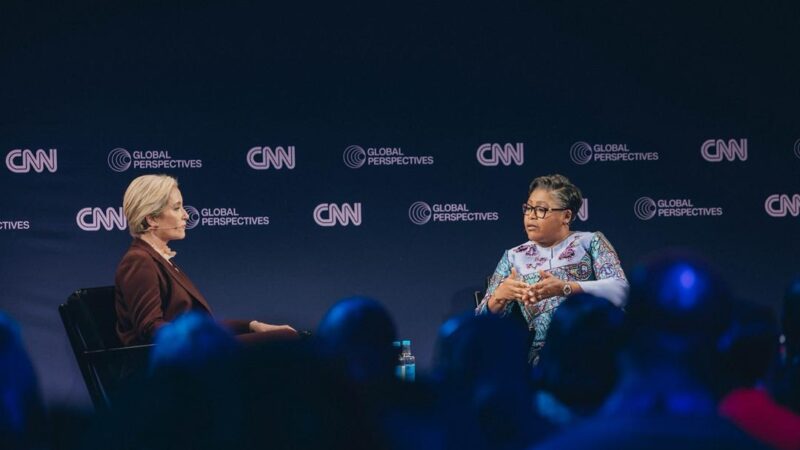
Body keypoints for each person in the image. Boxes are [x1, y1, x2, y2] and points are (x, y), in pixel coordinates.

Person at [115, 174, 296, 346]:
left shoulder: (157, 258)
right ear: (152, 219)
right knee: (285, 338)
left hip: (191, 354)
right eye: (177, 208)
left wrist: (252, 325)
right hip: (173, 363)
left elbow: (201, 327)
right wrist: (204, 341)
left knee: (285, 336)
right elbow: (150, 329)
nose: (186, 215)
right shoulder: (139, 260)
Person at [476, 174, 628, 363]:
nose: (531, 215)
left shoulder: (590, 242)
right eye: (528, 208)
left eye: (541, 209)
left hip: (597, 344)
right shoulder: (514, 256)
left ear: (566, 216)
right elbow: (478, 324)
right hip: (545, 355)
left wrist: (566, 288)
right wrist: (499, 296)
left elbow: (621, 291)